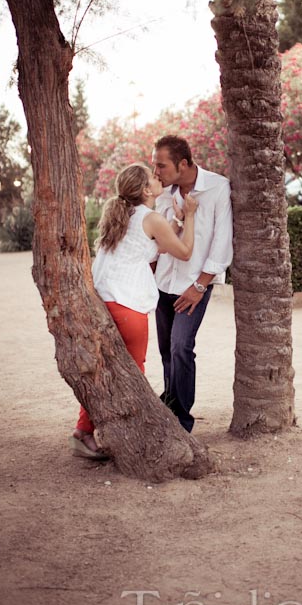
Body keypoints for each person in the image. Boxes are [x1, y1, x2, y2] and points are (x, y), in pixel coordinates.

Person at [69, 162, 198, 459]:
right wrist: (189, 217)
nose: (157, 177)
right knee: (133, 372)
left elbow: (151, 246)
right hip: (126, 304)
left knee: (106, 370)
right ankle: (135, 435)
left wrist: (175, 222)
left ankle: (82, 430)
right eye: (153, 176)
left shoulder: (122, 214)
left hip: (104, 300)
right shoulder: (151, 217)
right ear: (145, 190)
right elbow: (184, 251)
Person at [152, 135, 233, 433]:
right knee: (165, 350)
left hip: (193, 285)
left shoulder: (217, 188)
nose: (156, 172)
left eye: (161, 165)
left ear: (183, 164)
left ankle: (182, 422)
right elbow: (156, 239)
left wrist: (200, 286)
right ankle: (170, 408)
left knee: (181, 346)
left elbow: (221, 244)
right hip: (162, 283)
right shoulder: (162, 193)